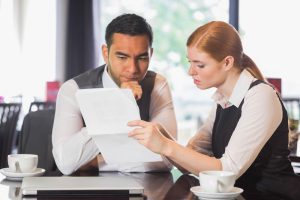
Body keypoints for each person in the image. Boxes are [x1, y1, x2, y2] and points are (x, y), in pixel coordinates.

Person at [128, 21, 300, 199]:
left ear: (227, 62)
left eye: (199, 65)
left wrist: (166, 146)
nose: (190, 71)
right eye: (190, 62)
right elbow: (189, 162)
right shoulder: (222, 99)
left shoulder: (261, 96)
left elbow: (227, 171)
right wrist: (163, 137)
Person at [52, 13, 177, 175]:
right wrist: (117, 103)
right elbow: (66, 163)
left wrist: (96, 163)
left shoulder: (157, 85)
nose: (132, 69)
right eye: (122, 57)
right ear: (105, 53)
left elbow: (168, 160)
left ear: (151, 54)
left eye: (141, 58)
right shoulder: (73, 89)